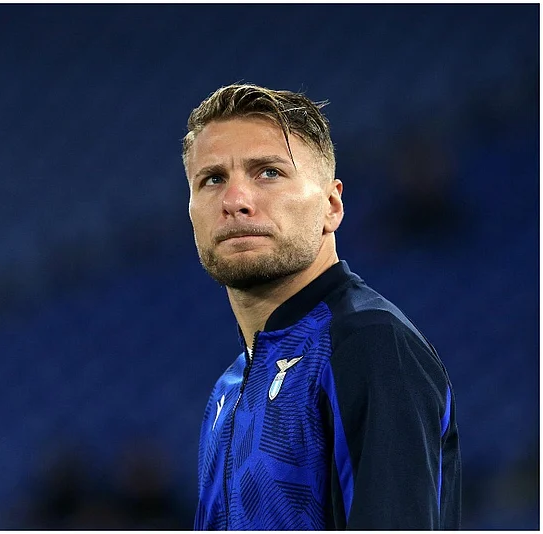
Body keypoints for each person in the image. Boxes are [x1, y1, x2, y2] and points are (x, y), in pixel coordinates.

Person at [182, 84, 461, 530]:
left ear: (332, 206)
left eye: (268, 172)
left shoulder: (368, 345)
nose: (235, 201)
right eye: (212, 179)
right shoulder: (228, 389)